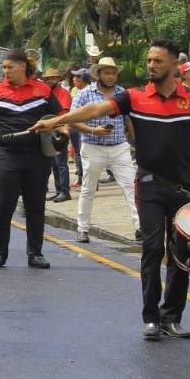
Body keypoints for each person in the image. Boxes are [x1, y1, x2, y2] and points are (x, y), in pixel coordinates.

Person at [34, 39, 190, 339]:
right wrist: (58, 120)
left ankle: (171, 317)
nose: (151, 65)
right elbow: (94, 109)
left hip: (182, 188)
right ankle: (150, 317)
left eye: (157, 61)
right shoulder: (132, 97)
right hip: (148, 184)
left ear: (174, 65)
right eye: (149, 60)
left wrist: (186, 150)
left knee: (181, 253)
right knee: (152, 248)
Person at [0, 49, 64, 270]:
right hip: (3, 155)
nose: (5, 71)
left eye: (9, 67)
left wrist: (63, 134)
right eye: (3, 68)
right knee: (3, 205)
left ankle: (35, 254)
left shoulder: (42, 90)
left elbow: (60, 118)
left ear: (23, 66)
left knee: (35, 205)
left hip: (37, 157)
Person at [70, 57, 140, 243]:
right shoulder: (84, 94)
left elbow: (128, 118)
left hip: (119, 148)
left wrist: (136, 142)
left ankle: (140, 228)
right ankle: (82, 229)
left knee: (132, 187)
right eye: (107, 73)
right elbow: (73, 119)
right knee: (88, 189)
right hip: (93, 147)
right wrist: (93, 130)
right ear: (98, 74)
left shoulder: (122, 93)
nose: (110, 76)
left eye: (113, 73)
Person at [40, 67, 74, 202]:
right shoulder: (48, 92)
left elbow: (63, 114)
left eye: (52, 78)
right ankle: (59, 190)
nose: (50, 80)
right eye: (48, 79)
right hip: (49, 130)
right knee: (54, 163)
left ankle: (65, 191)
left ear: (58, 80)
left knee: (61, 163)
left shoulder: (63, 93)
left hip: (59, 130)